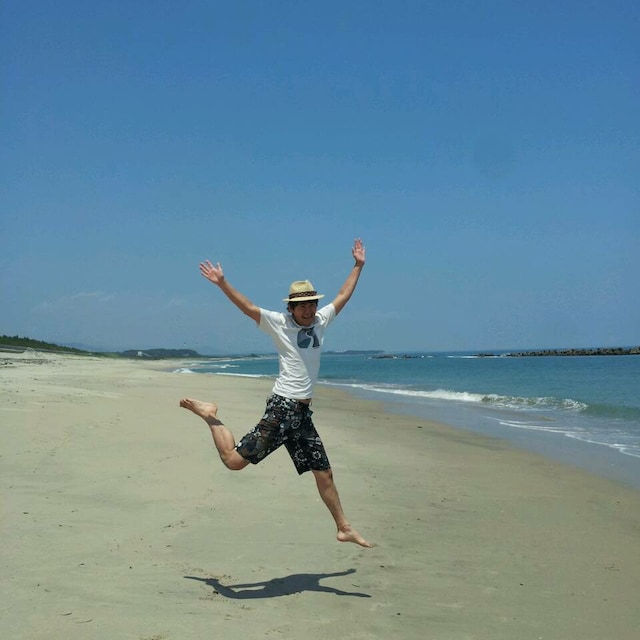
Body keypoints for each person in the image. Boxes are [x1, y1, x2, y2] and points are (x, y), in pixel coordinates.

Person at [179, 238, 372, 548]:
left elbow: (342, 296)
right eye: (302, 305)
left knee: (323, 471)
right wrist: (222, 283)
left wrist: (358, 265)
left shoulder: (321, 321)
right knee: (233, 461)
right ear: (291, 307)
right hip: (282, 409)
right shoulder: (279, 323)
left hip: (302, 415)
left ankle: (343, 527)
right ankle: (210, 416)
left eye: (312, 303)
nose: (308, 309)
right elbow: (248, 308)